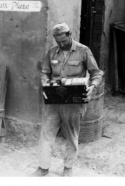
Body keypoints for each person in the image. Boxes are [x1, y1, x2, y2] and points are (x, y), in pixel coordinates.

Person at [34, 23, 104, 176]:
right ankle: (43, 167)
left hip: (74, 101)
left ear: (70, 34)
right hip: (54, 100)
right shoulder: (51, 53)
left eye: (64, 41)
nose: (61, 44)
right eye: (58, 41)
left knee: (71, 135)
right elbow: (45, 72)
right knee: (46, 132)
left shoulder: (83, 51)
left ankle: (68, 167)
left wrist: (92, 86)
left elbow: (96, 73)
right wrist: (45, 82)